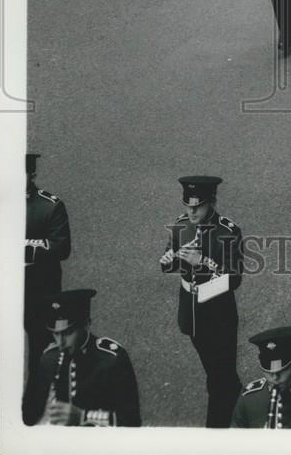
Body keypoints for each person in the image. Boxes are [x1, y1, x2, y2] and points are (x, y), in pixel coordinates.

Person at [160, 176, 243, 427]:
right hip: (191, 311)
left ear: (212, 202)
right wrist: (169, 261)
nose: (191, 211)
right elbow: (170, 260)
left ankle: (216, 428)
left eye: (198, 206)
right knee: (216, 371)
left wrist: (203, 262)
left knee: (218, 378)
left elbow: (234, 278)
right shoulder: (180, 226)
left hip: (219, 314)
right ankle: (235, 398)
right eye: (188, 206)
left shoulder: (228, 231)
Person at [23, 288, 141, 427]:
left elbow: (131, 422)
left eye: (67, 333)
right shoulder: (49, 358)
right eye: (55, 334)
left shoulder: (112, 359)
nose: (60, 343)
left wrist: (83, 417)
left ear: (86, 325)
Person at [23, 153, 71, 421]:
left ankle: (29, 414)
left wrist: (22, 249)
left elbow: (61, 247)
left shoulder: (50, 206)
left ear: (31, 175)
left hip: (38, 293)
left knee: (40, 355)